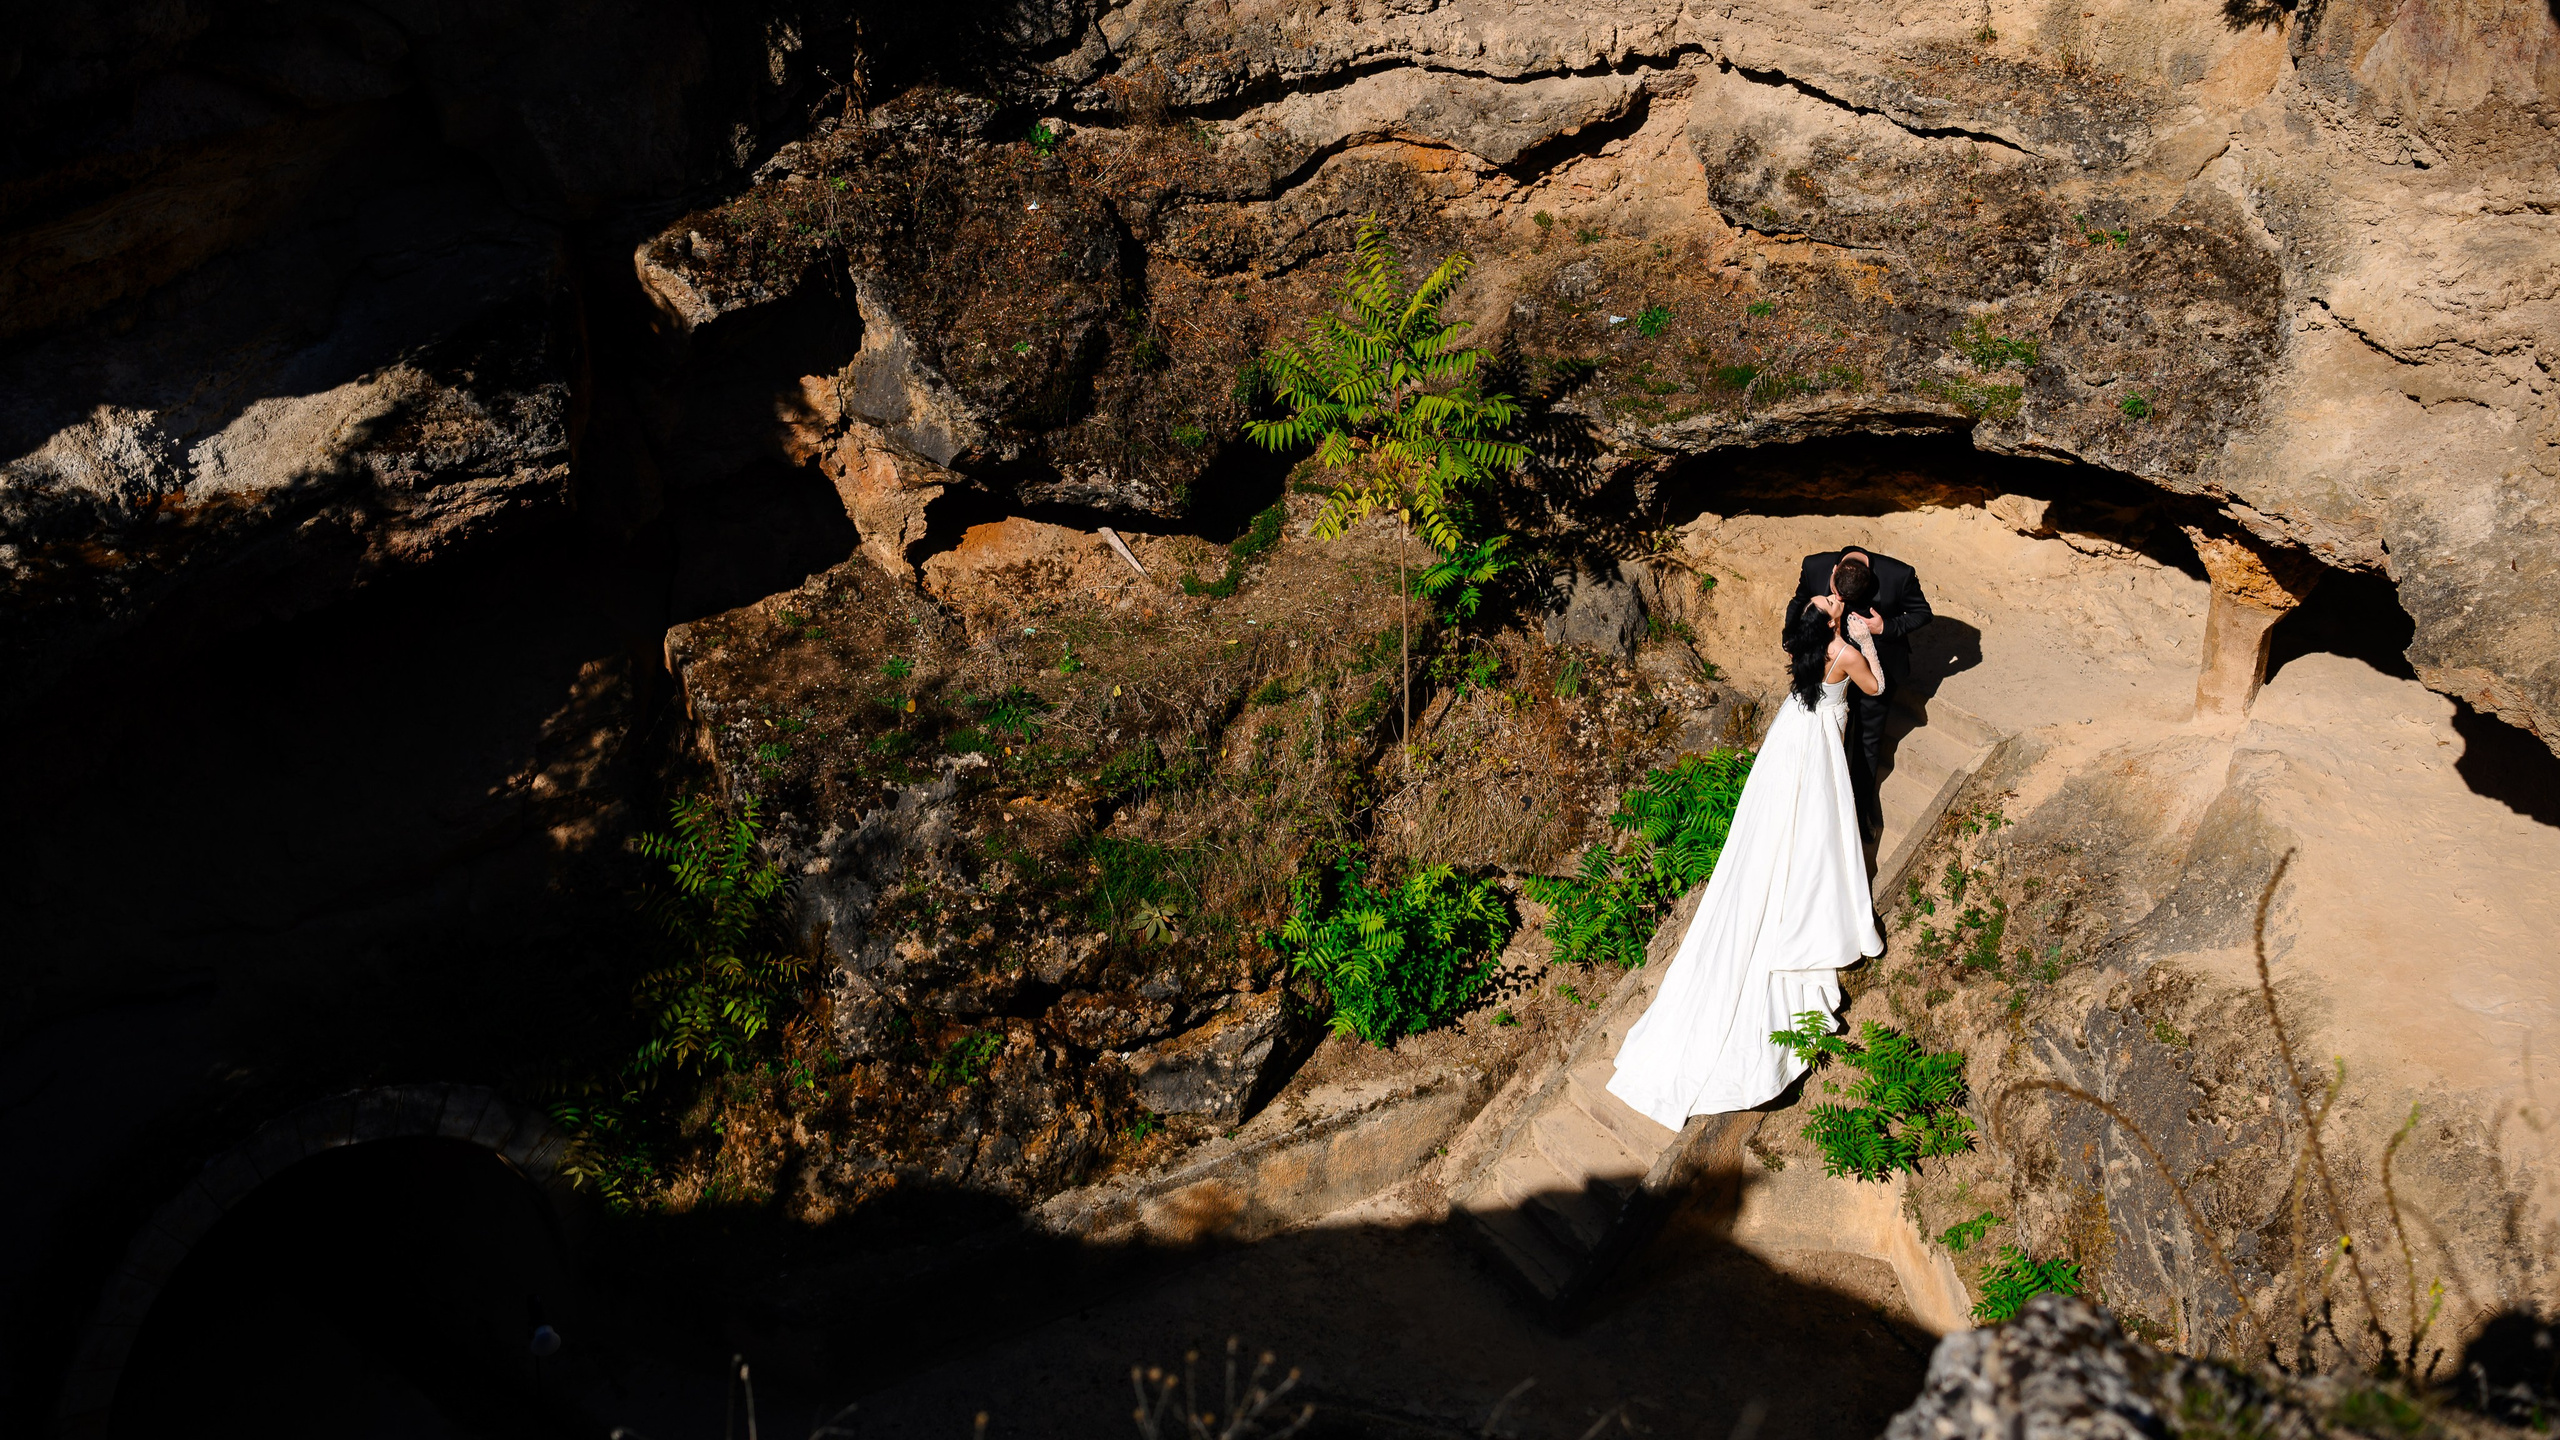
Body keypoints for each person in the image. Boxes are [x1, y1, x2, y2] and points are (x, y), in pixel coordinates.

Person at [1605, 588, 1887, 1127]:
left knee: (1780, 815)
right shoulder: (1843, 651)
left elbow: (1819, 655)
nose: (1833, 601)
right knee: (1816, 818)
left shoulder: (1806, 647)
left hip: (1792, 729)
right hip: (1820, 737)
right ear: (1828, 622)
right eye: (1830, 603)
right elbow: (1876, 688)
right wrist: (1865, 642)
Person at [1782, 547, 1932, 836]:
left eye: (1846, 599)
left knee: (1867, 741)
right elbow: (1799, 601)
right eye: (1834, 595)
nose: (1838, 601)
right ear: (1834, 570)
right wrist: (1791, 638)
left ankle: (1860, 811)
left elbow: (1922, 614)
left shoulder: (1899, 576)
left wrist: (1885, 627)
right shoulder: (1814, 566)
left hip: (1873, 670)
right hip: (1828, 675)